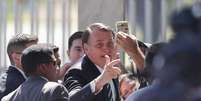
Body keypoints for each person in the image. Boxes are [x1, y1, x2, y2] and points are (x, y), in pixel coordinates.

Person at [63, 23, 121, 101]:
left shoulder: (111, 68)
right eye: (99, 45)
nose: (106, 49)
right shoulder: (76, 72)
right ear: (86, 48)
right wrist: (99, 82)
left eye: (110, 44)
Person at [1, 44, 69, 101]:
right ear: (43, 67)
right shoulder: (54, 90)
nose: (57, 68)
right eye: (54, 63)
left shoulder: (7, 99)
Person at [0, 34, 38, 99]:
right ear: (16, 57)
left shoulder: (12, 78)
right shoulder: (16, 84)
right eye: (34, 53)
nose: (40, 56)